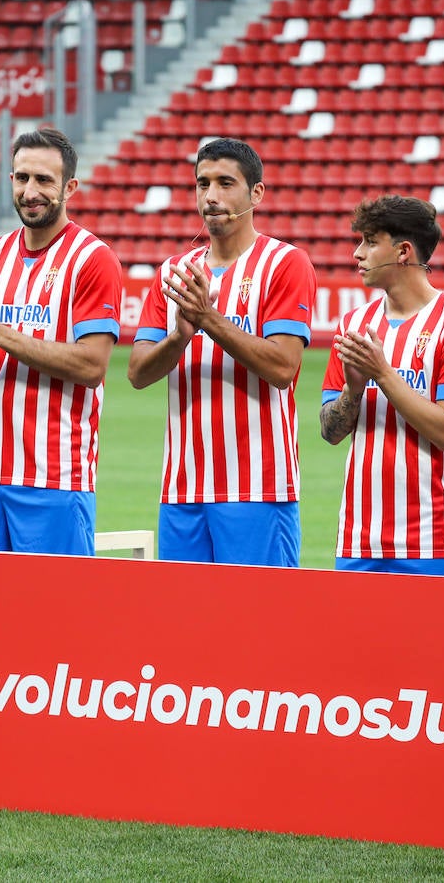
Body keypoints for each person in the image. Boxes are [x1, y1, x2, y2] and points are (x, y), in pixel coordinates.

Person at [128, 137, 316, 566]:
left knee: (258, 621)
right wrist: (178, 337)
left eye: (225, 183)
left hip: (257, 488)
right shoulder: (174, 271)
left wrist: (208, 320)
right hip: (181, 488)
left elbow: (284, 367)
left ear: (256, 193)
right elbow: (137, 372)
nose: (211, 196)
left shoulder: (285, 263)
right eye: (202, 183)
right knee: (185, 624)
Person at [0, 128, 123, 555]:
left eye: (43, 180)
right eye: (22, 178)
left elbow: (93, 366)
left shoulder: (93, 260)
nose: (30, 191)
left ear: (69, 187)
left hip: (54, 477)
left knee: (56, 615)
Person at [319, 195, 444, 576]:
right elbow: (330, 431)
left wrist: (383, 375)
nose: (357, 253)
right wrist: (355, 390)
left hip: (432, 542)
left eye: (369, 241)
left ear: (403, 251)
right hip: (358, 539)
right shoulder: (353, 325)